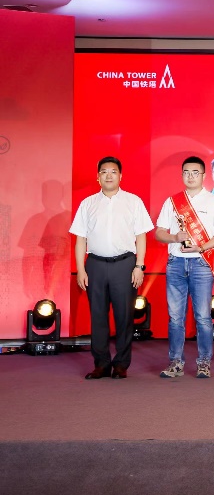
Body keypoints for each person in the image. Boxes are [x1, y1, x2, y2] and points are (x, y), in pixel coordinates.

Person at [69, 157, 153, 379]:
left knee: (124, 316)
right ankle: (101, 364)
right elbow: (80, 239)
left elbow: (141, 236)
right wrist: (81, 269)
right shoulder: (88, 204)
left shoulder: (133, 202)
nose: (108, 175)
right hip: (95, 265)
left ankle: (121, 364)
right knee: (98, 316)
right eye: (104, 172)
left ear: (120, 176)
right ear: (98, 177)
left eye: (113, 172)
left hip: (125, 265)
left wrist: (139, 266)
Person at [155, 156, 214, 379]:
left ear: (204, 176)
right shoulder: (172, 202)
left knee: (203, 316)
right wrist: (174, 237)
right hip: (176, 263)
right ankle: (175, 362)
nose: (190, 176)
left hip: (201, 263)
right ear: (181, 175)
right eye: (186, 172)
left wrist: (202, 247)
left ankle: (204, 362)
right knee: (175, 317)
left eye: (195, 172)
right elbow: (159, 232)